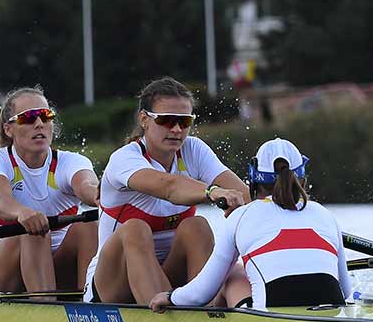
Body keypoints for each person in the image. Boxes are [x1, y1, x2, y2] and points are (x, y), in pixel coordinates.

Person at [85, 77, 251, 305]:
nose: (176, 129)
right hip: (112, 284)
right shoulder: (124, 159)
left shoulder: (194, 149)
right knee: (135, 228)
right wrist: (213, 192)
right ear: (144, 119)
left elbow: (245, 195)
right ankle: (170, 321)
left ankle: (210, 316)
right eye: (166, 120)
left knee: (198, 225)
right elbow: (168, 187)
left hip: (169, 274)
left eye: (184, 122)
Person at [150, 137, 351, 311]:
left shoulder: (241, 216)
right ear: (303, 182)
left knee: (231, 273)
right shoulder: (325, 214)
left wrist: (170, 297)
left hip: (271, 317)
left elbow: (201, 293)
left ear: (253, 182)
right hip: (330, 307)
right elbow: (347, 291)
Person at [0, 86, 99, 297]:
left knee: (89, 226)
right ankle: (46, 309)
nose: (39, 123)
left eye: (45, 116)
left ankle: (90, 306)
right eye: (28, 118)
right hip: (0, 273)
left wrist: (101, 196)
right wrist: (23, 213)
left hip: (56, 264)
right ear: (8, 129)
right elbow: (1, 201)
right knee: (32, 231)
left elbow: (88, 188)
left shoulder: (72, 161)